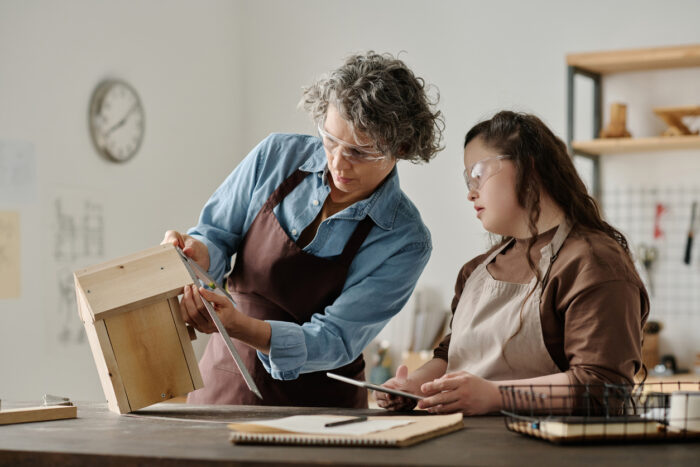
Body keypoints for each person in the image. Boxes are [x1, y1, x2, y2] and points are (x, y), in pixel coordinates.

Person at [162, 51, 443, 408]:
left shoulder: (405, 239)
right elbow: (216, 234)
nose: (338, 163)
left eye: (359, 152)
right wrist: (195, 253)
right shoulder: (275, 156)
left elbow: (337, 339)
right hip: (224, 382)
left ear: (400, 147)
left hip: (321, 408)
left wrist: (241, 326)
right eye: (330, 140)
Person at [377, 111, 649, 415]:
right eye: (467, 179)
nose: (470, 192)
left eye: (478, 174)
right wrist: (415, 386)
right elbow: (449, 355)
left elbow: (603, 388)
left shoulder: (594, 263)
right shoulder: (475, 272)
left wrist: (495, 396)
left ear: (528, 167)